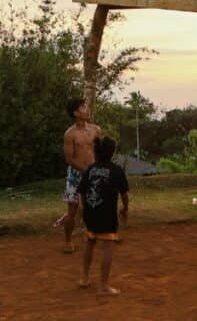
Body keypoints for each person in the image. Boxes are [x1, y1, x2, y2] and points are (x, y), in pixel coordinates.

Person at [76, 136, 129, 296]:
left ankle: (84, 278)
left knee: (90, 241)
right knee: (108, 246)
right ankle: (103, 286)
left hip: (90, 211)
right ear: (112, 153)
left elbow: (82, 192)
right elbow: (125, 195)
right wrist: (125, 208)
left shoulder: (90, 169)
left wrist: (85, 209)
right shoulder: (117, 170)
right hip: (107, 214)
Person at [58, 97, 103, 253]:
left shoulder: (96, 130)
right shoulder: (70, 134)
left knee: (93, 206)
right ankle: (68, 241)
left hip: (93, 173)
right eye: (83, 107)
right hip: (75, 176)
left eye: (86, 106)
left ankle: (92, 235)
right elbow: (69, 158)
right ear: (75, 113)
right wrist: (85, 171)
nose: (87, 109)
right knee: (73, 209)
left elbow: (100, 151)